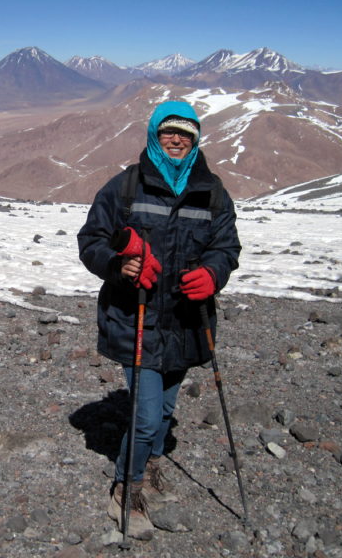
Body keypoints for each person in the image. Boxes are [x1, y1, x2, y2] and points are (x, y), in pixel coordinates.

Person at [77, 100, 241, 538]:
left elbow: (226, 249)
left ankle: (147, 463)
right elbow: (91, 240)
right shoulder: (124, 187)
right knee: (147, 417)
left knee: (167, 411)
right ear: (154, 134)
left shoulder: (213, 191)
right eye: (169, 132)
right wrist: (119, 266)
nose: (176, 140)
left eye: (185, 135)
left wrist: (213, 274)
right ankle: (125, 491)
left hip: (188, 322)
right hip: (138, 318)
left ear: (195, 140)